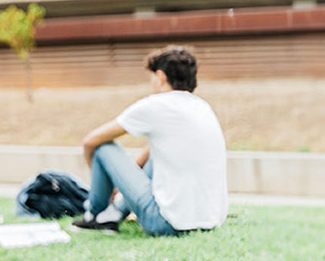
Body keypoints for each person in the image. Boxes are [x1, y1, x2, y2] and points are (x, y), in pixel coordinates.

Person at [69, 46, 227, 237]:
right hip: (209, 221)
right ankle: (113, 214)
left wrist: (103, 183)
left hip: (165, 223)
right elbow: (153, 151)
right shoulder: (202, 108)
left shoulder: (156, 105)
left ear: (160, 77)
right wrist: (122, 181)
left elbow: (90, 141)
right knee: (156, 154)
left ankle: (94, 214)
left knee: (103, 148)